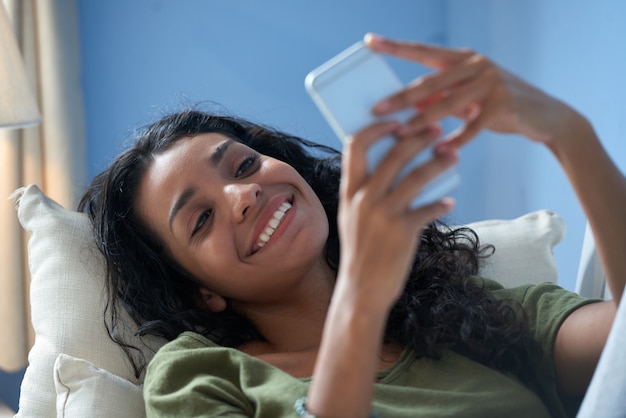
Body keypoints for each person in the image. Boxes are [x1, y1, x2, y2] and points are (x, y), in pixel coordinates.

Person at [78, 33, 625, 418]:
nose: (243, 195)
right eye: (200, 219)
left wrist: (568, 134)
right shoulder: (200, 376)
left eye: (244, 165)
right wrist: (360, 299)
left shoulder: (464, 315)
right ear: (202, 293)